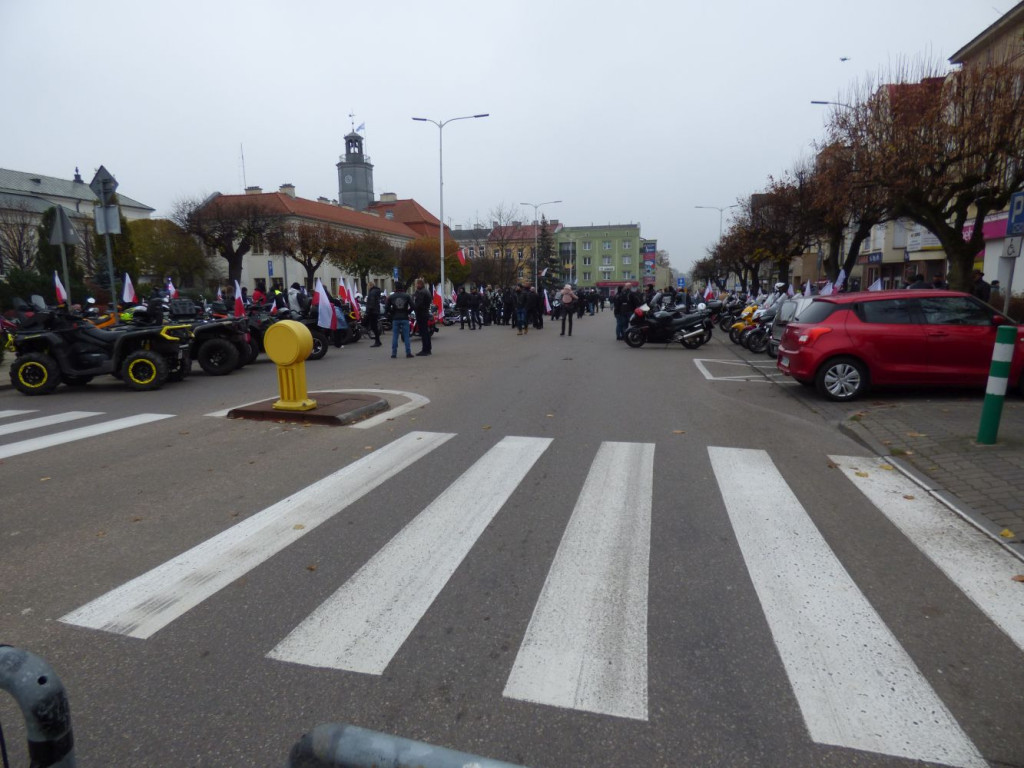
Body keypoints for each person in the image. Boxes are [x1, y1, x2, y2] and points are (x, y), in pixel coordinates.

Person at [385, 281, 414, 358]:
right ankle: (408, 352)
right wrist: (408, 312)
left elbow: (387, 307)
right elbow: (413, 306)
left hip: (395, 318)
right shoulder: (407, 296)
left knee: (395, 336)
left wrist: (392, 313)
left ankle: (394, 353)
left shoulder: (391, 297)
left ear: (395, 288)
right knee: (406, 336)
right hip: (404, 317)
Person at [412, 278, 433, 356]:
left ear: (420, 284)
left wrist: (412, 308)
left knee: (423, 332)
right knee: (426, 332)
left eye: (417, 284)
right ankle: (428, 348)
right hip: (425, 312)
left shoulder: (421, 292)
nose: (416, 285)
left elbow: (418, 304)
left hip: (421, 313)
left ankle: (425, 350)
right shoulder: (426, 291)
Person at [364, 282, 382, 347]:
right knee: (374, 326)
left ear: (370, 286)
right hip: (376, 311)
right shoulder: (376, 291)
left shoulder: (372, 293)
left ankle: (377, 341)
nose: (367, 288)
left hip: (372, 312)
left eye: (368, 286)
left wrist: (367, 312)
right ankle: (378, 341)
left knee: (373, 326)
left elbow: (371, 303)